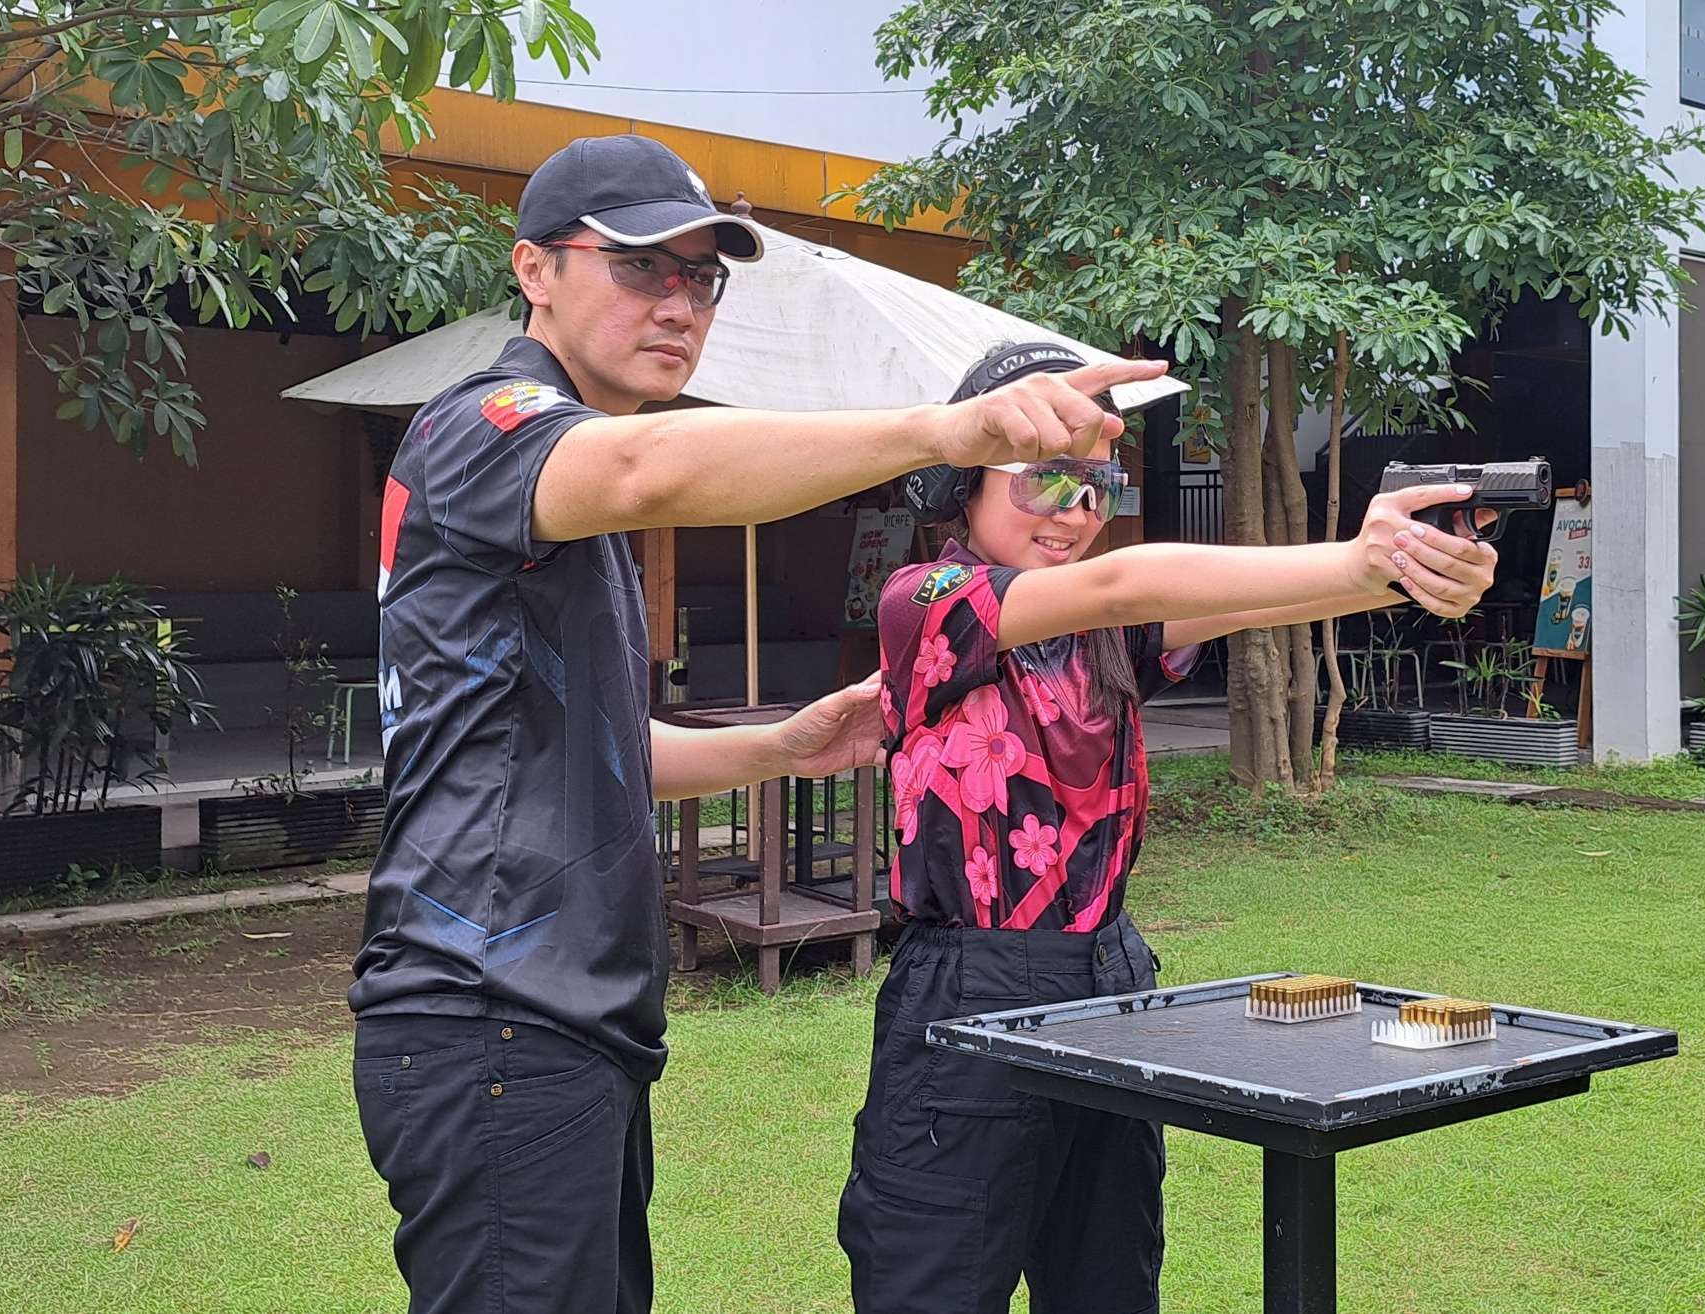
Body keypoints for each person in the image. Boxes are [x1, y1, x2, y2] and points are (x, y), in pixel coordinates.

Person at [349, 141, 1166, 1314]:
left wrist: (780, 748)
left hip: (560, 1026)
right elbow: (645, 469)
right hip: (492, 1013)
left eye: (700, 277)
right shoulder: (489, 425)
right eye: (638, 268)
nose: (677, 301)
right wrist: (945, 431)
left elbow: (601, 750)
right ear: (533, 268)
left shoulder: (557, 507)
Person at [836, 343, 1500, 1314]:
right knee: (933, 1282)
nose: (1071, 509)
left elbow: (1251, 599)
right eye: (1041, 478)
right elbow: (1127, 585)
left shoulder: (1105, 626)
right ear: (963, 482)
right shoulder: (924, 602)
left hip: (1111, 975)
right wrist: (1359, 556)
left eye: (1093, 484)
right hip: (967, 987)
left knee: (1109, 1280)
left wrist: (1401, 569)